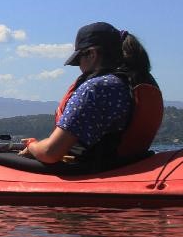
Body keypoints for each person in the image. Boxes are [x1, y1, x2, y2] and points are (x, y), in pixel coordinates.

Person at [19, 21, 163, 171]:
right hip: (130, 166)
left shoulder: (95, 89)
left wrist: (32, 145)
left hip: (98, 171)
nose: (80, 68)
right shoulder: (135, 84)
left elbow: (50, 152)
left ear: (92, 54)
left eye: (79, 60)